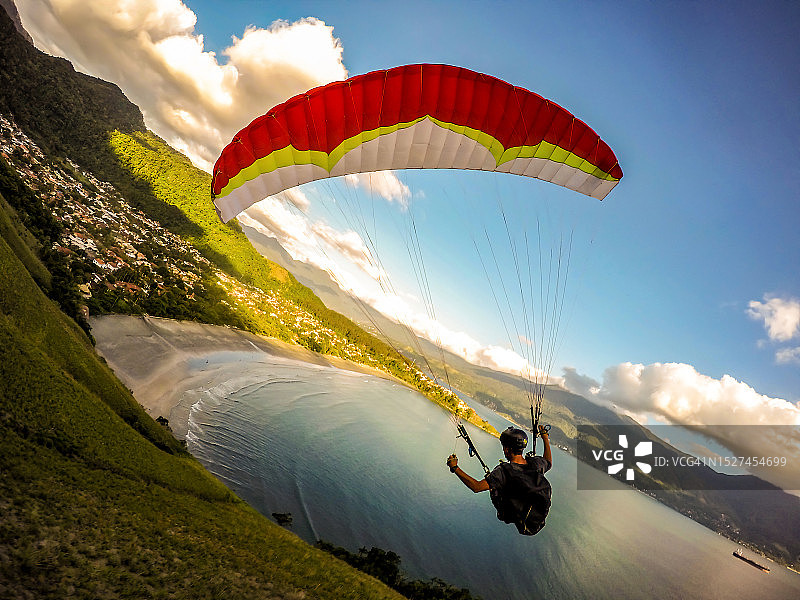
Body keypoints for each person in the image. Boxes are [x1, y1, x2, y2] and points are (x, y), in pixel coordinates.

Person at [447, 425, 552, 535]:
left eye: (504, 447)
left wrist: (455, 468)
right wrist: (545, 437)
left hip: (511, 512)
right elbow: (548, 462)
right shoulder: (535, 464)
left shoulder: (504, 472)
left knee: (496, 489)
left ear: (507, 449)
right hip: (533, 517)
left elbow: (476, 487)